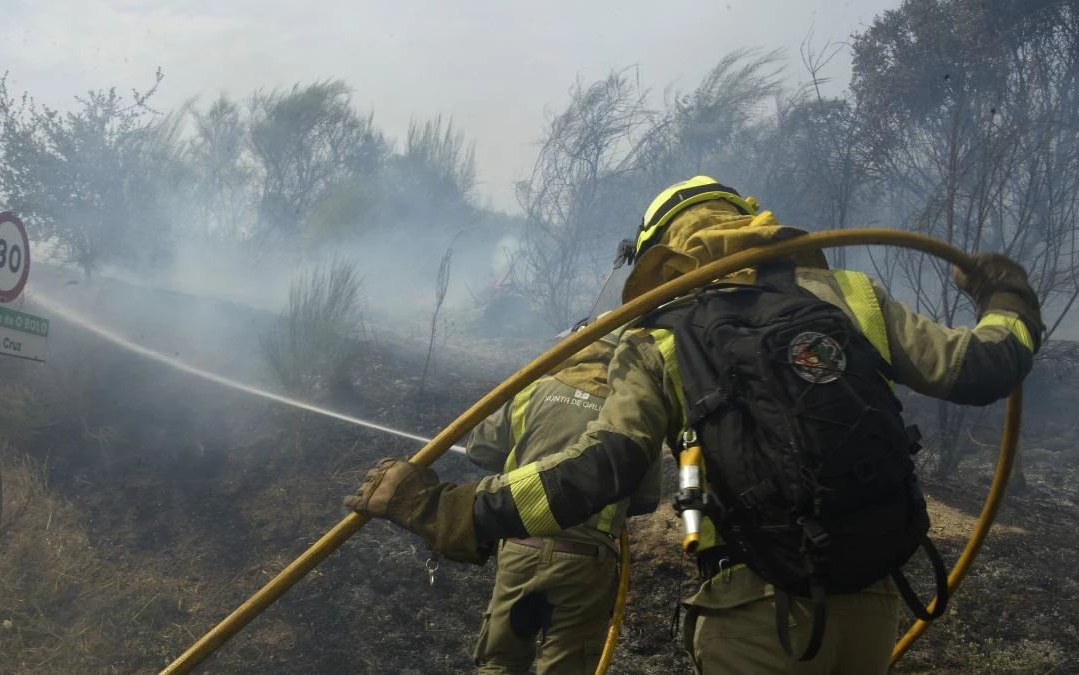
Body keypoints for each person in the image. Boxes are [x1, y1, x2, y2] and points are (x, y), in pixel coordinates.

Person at [345, 176, 1043, 674]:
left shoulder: (661, 335)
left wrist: (454, 509)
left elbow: (602, 468)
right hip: (873, 600)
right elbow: (988, 366)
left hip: (754, 612)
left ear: (663, 256)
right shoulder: (852, 296)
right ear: (754, 224)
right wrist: (1007, 295)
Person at [465, 323, 661, 674]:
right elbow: (646, 499)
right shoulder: (635, 414)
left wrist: (527, 454)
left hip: (520, 548)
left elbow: (480, 448)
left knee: (499, 663)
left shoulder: (534, 389)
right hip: (585, 563)